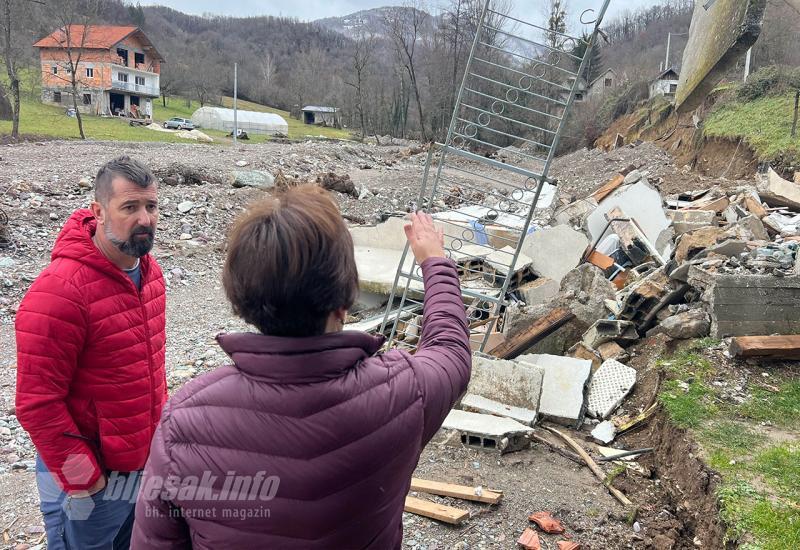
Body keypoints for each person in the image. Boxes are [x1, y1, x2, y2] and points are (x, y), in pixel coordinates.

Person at [131, 185, 471, 549]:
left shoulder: (184, 419)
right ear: (343, 302)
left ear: (242, 300)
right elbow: (450, 349)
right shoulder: (403, 392)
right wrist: (435, 262)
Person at [15, 156, 167, 549]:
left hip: (140, 464)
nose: (145, 219)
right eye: (130, 207)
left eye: (151, 206)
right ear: (98, 212)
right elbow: (36, 402)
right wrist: (83, 477)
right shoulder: (60, 291)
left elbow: (148, 369)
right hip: (89, 481)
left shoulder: (150, 274)